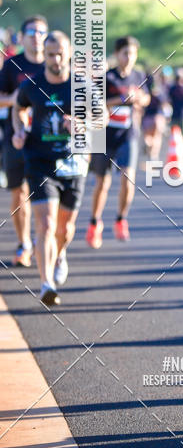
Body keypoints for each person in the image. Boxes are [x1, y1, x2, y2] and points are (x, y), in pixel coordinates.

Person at [12, 31, 87, 306]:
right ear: (44, 55)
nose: (56, 59)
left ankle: (61, 253)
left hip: (73, 162)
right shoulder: (32, 85)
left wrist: (82, 127)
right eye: (51, 54)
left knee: (64, 230)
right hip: (40, 161)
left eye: (60, 53)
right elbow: (18, 109)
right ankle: (46, 284)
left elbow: (102, 121)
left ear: (69, 54)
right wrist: (19, 131)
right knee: (45, 223)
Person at [87, 36, 150, 248]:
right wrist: (121, 100)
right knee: (102, 183)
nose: (130, 58)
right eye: (126, 53)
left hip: (128, 135)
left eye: (133, 54)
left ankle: (121, 219)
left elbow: (147, 97)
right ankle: (95, 223)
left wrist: (140, 99)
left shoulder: (139, 75)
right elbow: (95, 104)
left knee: (128, 179)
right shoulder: (107, 78)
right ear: (117, 54)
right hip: (105, 136)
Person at [0, 16, 47, 267]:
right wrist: (17, 98)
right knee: (19, 192)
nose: (36, 36)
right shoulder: (12, 66)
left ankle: (47, 242)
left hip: (47, 140)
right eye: (31, 31)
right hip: (16, 137)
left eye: (41, 31)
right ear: (23, 36)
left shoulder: (55, 64)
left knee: (48, 195)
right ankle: (24, 243)